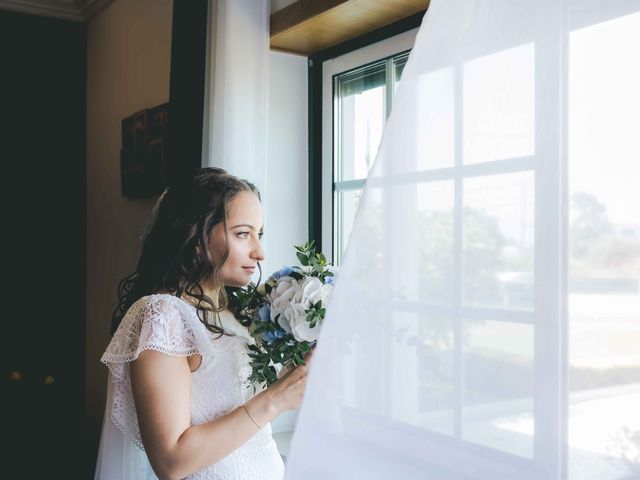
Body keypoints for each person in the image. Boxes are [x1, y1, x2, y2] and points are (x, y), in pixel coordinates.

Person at [94, 167, 311, 479]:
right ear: (197, 237)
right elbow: (171, 461)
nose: (259, 252)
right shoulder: (164, 315)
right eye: (242, 234)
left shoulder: (236, 310)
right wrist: (275, 400)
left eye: (259, 234)